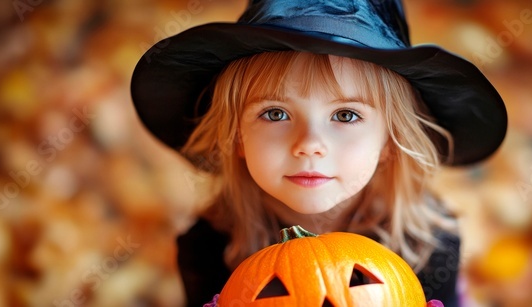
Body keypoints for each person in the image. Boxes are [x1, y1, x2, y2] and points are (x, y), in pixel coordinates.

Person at [130, 0, 507, 306]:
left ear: (390, 142)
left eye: (345, 115)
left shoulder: (428, 242)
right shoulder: (209, 246)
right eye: (275, 113)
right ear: (237, 138)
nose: (309, 144)